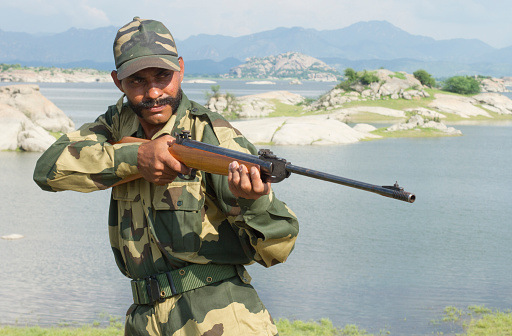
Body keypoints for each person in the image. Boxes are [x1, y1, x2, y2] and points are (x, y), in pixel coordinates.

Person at [33, 17, 299, 336]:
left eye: (163, 76)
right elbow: (47, 170)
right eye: (137, 81)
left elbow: (278, 247)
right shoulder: (116, 125)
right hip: (145, 318)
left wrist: (253, 203)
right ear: (118, 82)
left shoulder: (214, 137)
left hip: (219, 316)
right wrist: (136, 157)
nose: (154, 91)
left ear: (181, 69)